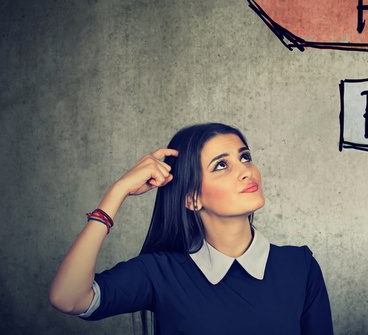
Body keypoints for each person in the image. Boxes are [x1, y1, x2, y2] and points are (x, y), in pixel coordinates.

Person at [49, 123, 334, 334]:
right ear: (192, 198)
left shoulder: (300, 266)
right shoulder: (160, 273)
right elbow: (68, 298)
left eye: (244, 157)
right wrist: (118, 190)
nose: (246, 170)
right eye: (221, 165)